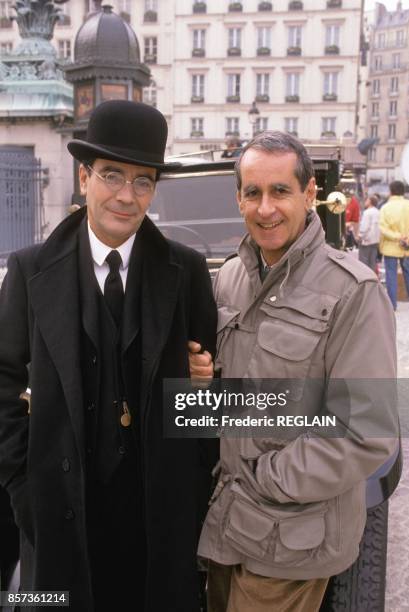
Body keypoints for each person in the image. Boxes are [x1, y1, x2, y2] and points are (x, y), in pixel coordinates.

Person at [0, 100, 218, 611]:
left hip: (157, 519)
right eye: (113, 175)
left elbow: (214, 393)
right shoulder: (29, 270)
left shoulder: (186, 272)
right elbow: (2, 379)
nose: (127, 196)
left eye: (143, 181)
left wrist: (203, 391)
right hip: (59, 514)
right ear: (84, 176)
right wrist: (23, 485)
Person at [197, 131, 397, 612]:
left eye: (280, 191)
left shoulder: (354, 292)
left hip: (290, 540)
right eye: (253, 192)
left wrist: (268, 480)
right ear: (238, 199)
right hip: (225, 526)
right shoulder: (230, 277)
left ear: (309, 196)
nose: (266, 208)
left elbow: (367, 429)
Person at [379, 180, 409, 310]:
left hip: (390, 247)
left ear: (390, 191)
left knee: (391, 275)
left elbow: (383, 228)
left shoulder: (385, 207)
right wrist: (408, 238)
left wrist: (397, 237)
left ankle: (392, 305)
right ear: (404, 192)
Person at [358, 194, 380, 272]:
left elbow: (364, 227)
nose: (365, 202)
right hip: (375, 241)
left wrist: (360, 235)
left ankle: (364, 281)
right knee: (372, 262)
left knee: (364, 263)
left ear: (370, 202)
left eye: (367, 200)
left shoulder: (367, 212)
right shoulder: (378, 212)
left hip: (366, 241)